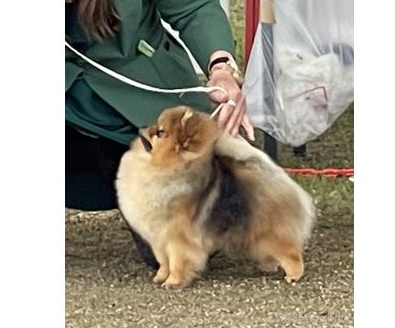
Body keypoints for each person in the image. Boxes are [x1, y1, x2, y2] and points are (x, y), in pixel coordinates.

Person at [65, 0, 254, 267]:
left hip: (140, 104)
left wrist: (221, 69)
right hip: (69, 107)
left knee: (185, 249)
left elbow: (193, 7)